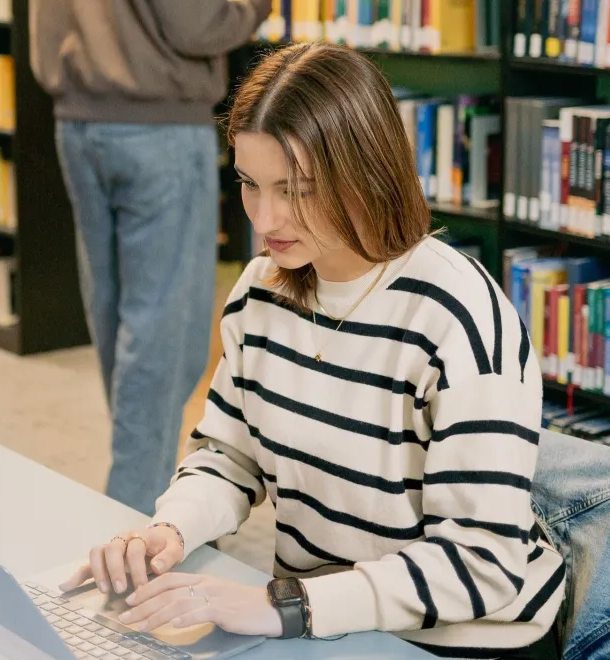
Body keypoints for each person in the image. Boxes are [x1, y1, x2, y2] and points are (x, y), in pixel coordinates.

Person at [60, 43, 566, 659]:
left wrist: (288, 606)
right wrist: (170, 529)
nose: (266, 217)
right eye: (249, 184)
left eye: (297, 190)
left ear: (367, 173)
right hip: (317, 622)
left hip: (456, 640)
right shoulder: (261, 292)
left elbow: (482, 565)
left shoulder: (460, 319)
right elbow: (228, 456)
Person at [28, 0, 273, 516]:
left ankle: (137, 492)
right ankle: (128, 520)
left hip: (77, 118)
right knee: (165, 337)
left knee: (118, 318)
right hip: (158, 122)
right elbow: (196, 23)